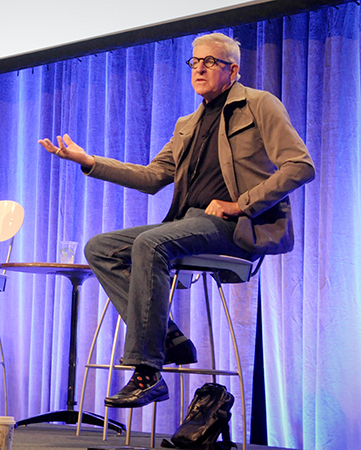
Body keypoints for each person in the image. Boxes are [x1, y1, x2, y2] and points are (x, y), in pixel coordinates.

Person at [39, 33, 315, 409]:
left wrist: (241, 204)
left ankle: (146, 372)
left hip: (236, 228)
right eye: (195, 61)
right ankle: (169, 338)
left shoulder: (259, 105)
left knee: (151, 244)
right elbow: (153, 177)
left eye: (210, 62)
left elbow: (300, 166)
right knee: (100, 247)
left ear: (232, 70)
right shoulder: (188, 123)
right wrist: (90, 162)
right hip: (190, 223)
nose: (199, 68)